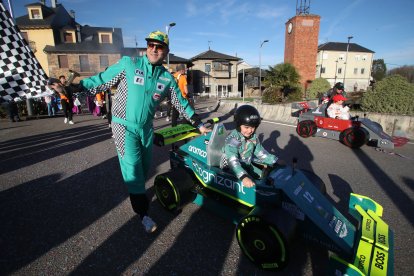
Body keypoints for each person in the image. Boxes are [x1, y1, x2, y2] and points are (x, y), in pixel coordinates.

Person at [79, 30, 210, 233]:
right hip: (123, 125)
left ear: (166, 51)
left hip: (146, 128)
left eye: (159, 47)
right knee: (132, 166)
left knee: (145, 167)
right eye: (151, 45)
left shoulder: (167, 77)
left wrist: (199, 124)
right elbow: (101, 81)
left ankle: (138, 193)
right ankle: (143, 213)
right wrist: (76, 87)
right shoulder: (129, 64)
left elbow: (180, 103)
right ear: (146, 47)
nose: (154, 49)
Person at [221, 105, 283, 188]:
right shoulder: (233, 140)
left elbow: (261, 152)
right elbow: (233, 161)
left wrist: (274, 161)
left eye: (253, 127)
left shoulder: (253, 137)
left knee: (265, 176)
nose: (250, 130)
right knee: (255, 183)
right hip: (231, 169)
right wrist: (243, 177)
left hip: (246, 164)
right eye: (246, 127)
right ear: (238, 125)